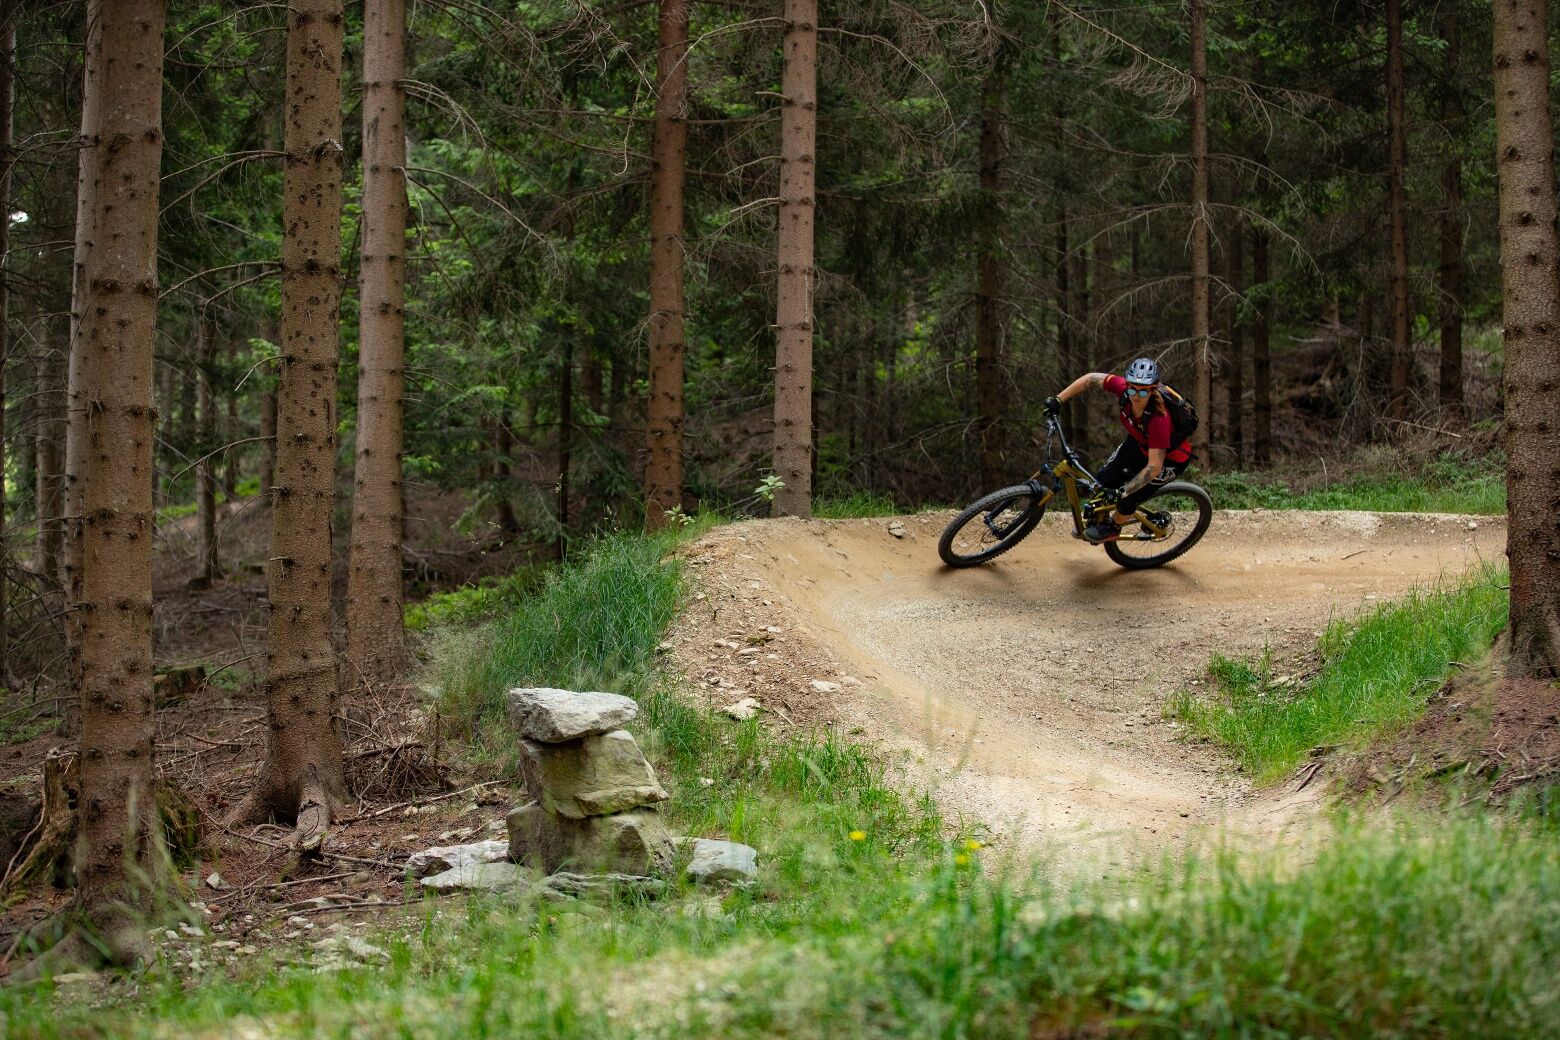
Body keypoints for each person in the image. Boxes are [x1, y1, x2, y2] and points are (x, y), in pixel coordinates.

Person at [1044, 357, 1193, 543]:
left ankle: (1113, 528)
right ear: (1127, 385)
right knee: (1104, 480)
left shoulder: (1159, 420)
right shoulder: (1123, 389)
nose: (1136, 396)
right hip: (1140, 444)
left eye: (1143, 391)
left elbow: (1154, 467)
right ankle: (1102, 517)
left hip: (1170, 460)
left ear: (1153, 389)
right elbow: (1090, 379)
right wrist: (1058, 399)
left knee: (1128, 498)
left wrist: (1122, 492)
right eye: (1132, 389)